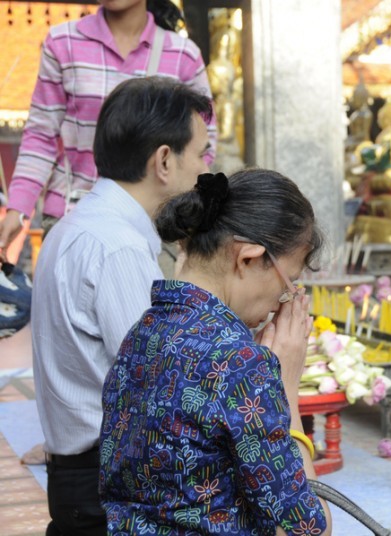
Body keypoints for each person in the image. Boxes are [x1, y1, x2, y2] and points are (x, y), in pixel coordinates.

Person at [99, 169, 332, 535]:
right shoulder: (241, 363)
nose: (281, 303)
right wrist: (285, 388)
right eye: (290, 282)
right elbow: (308, 528)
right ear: (249, 259)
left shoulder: (141, 334)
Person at [31, 76, 212, 535]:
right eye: (202, 154)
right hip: (105, 481)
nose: (206, 171)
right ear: (165, 161)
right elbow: (161, 392)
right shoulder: (118, 248)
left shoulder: (74, 229)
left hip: (80, 476)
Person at [0, 0, 216, 253]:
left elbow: (204, 141)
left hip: (154, 225)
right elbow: (41, 135)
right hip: (73, 214)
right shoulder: (63, 42)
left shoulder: (182, 54)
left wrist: (180, 211)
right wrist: (18, 208)